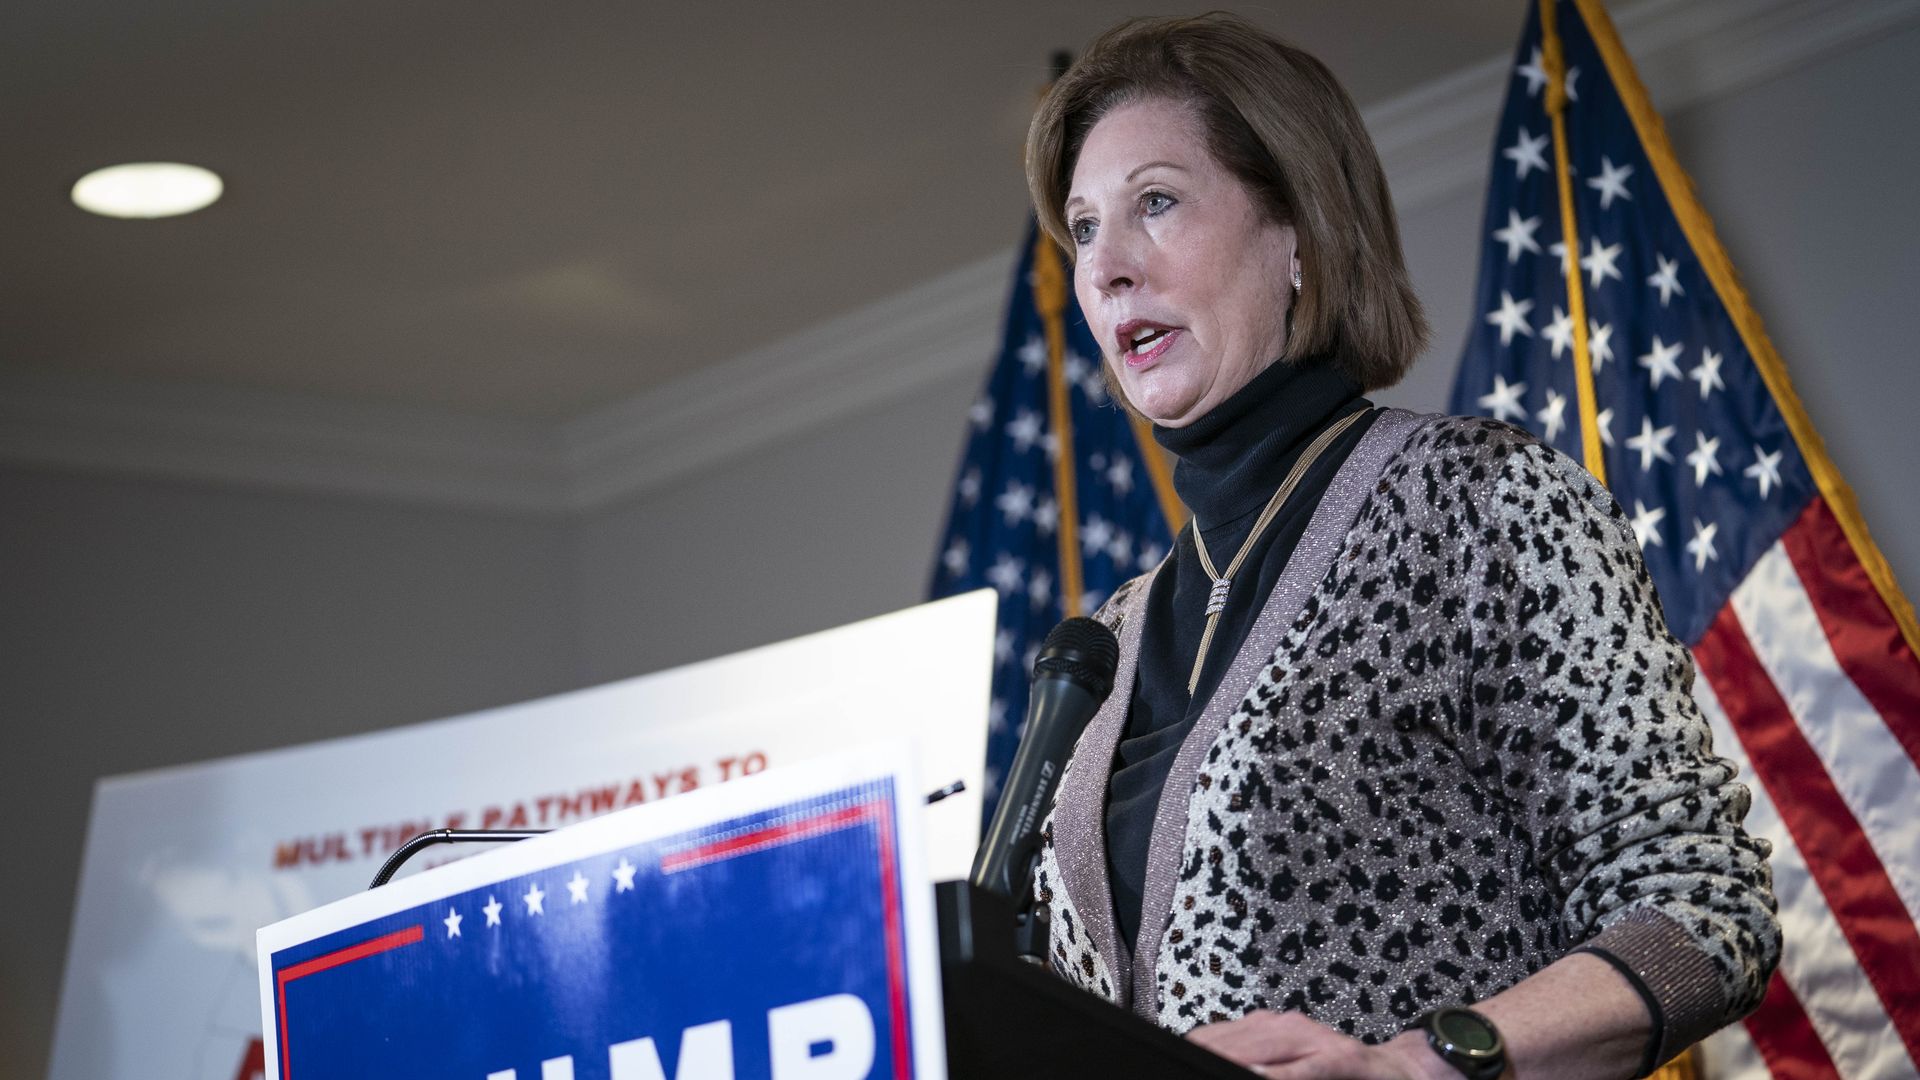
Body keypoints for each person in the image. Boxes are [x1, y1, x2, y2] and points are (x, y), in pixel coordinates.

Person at [1022, 14, 1780, 1080]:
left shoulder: (1478, 506)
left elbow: (1706, 911)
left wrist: (1415, 1065)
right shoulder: (1098, 650)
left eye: (1156, 203)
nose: (1107, 269)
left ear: (1296, 235)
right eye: (1084, 227)